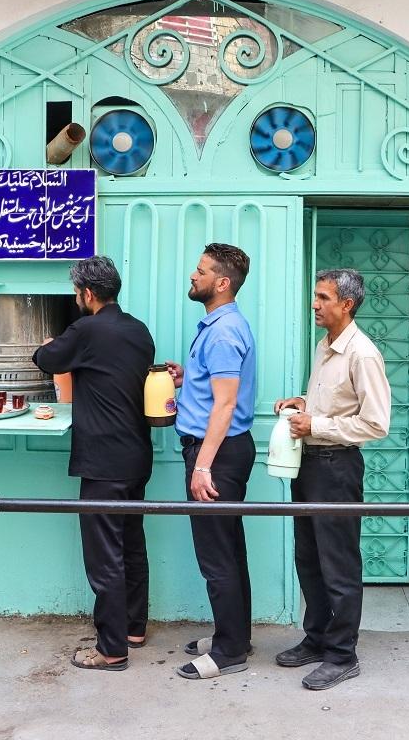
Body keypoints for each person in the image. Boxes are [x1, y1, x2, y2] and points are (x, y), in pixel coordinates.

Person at [32, 256, 155, 672]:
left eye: (76, 292)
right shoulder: (138, 329)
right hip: (137, 454)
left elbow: (48, 361)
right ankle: (134, 627)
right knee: (131, 542)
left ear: (87, 294)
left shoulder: (86, 329)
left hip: (103, 459)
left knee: (104, 555)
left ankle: (111, 649)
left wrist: (46, 345)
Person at [273, 268, 391, 691]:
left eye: (323, 298)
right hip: (310, 464)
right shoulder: (326, 346)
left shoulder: (362, 353)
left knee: (338, 563)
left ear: (347, 304)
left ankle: (343, 655)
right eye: (315, 296)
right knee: (309, 557)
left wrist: (316, 426)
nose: (315, 304)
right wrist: (302, 403)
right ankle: (318, 637)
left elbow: (376, 424)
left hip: (338, 467)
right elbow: (333, 404)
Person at [165, 243, 258, 681]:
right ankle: (233, 634)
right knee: (229, 548)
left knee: (217, 555)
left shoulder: (221, 332)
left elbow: (224, 406)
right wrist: (189, 378)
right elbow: (215, 390)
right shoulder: (222, 325)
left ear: (221, 283)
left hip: (216, 456)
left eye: (200, 271)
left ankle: (229, 651)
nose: (192, 275)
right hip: (224, 451)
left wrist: (202, 466)